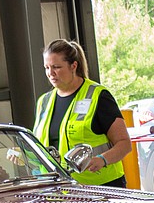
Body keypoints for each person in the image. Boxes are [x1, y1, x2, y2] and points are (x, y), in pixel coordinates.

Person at [33, 39, 131, 187]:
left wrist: (102, 160)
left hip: (101, 187)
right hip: (60, 188)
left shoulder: (98, 95)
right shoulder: (44, 102)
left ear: (74, 66)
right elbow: (43, 149)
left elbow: (124, 144)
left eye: (56, 67)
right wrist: (22, 153)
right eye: (46, 67)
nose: (50, 73)